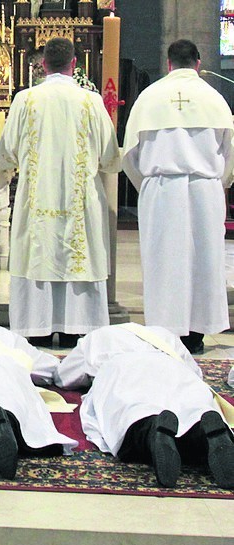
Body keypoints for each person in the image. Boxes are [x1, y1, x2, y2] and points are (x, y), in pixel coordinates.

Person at [0, 37, 120, 349]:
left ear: (42, 65)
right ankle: (75, 328)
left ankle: (36, 327)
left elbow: (8, 151)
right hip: (79, 204)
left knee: (36, 255)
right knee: (78, 255)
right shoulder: (91, 102)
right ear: (74, 65)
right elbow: (109, 154)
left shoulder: (25, 100)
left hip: (36, 200)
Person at [122, 39, 234, 354]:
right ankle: (196, 336)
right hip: (204, 189)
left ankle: (165, 335)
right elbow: (230, 153)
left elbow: (129, 154)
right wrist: (216, 182)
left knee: (163, 262)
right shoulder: (214, 99)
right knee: (204, 262)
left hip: (161, 191)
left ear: (168, 63)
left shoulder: (149, 97)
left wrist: (148, 183)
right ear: (197, 63)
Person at [56, 323, 234, 488]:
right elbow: (194, 371)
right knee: (193, 406)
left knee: (132, 413)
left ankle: (152, 429)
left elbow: (65, 377)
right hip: (170, 366)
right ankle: (202, 430)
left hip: (122, 367)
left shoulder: (95, 337)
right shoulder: (164, 334)